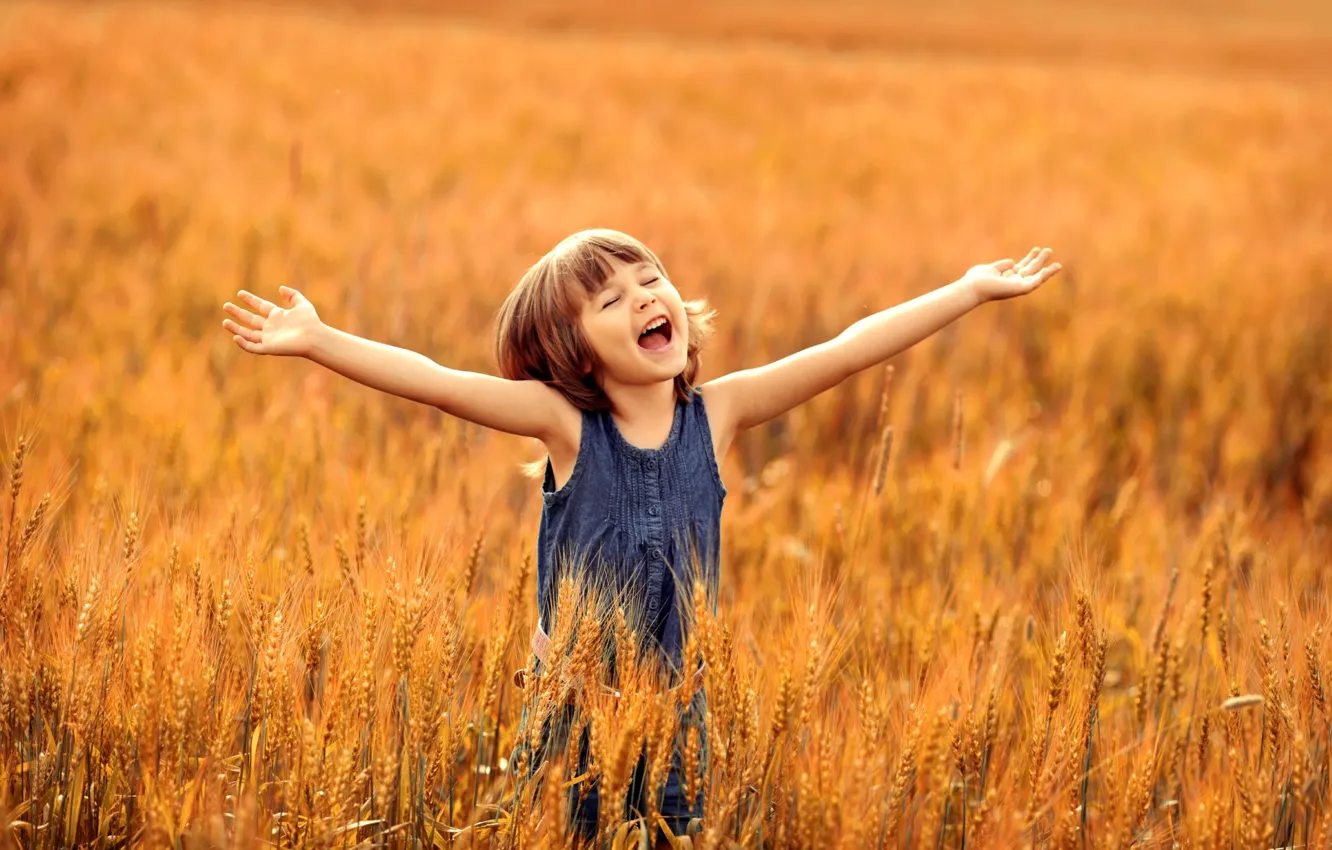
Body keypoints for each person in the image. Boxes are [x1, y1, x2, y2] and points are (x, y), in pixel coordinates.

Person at [221, 228, 1061, 844]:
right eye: (610, 301)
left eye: (650, 279)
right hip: (569, 711)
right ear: (572, 354)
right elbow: (442, 385)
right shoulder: (563, 425)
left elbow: (843, 353)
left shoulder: (721, 412)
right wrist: (322, 342)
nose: (645, 299)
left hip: (677, 708)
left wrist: (968, 290)